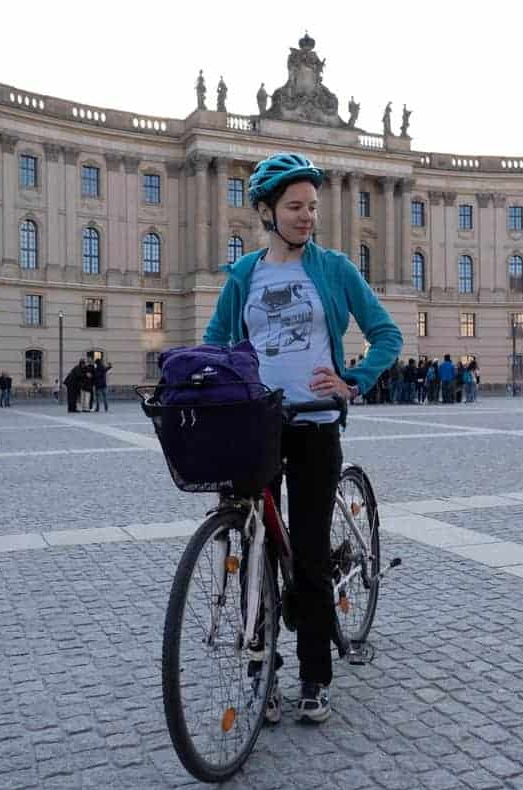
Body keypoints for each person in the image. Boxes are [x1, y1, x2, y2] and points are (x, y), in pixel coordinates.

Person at [203, 152, 402, 724]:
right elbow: (218, 345)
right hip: (258, 425)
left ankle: (315, 675)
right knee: (252, 548)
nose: (306, 216)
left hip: (316, 423)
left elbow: (385, 334)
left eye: (312, 207)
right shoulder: (244, 276)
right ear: (266, 210)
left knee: (310, 556)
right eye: (294, 207)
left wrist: (352, 380)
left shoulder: (335, 268)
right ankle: (260, 673)